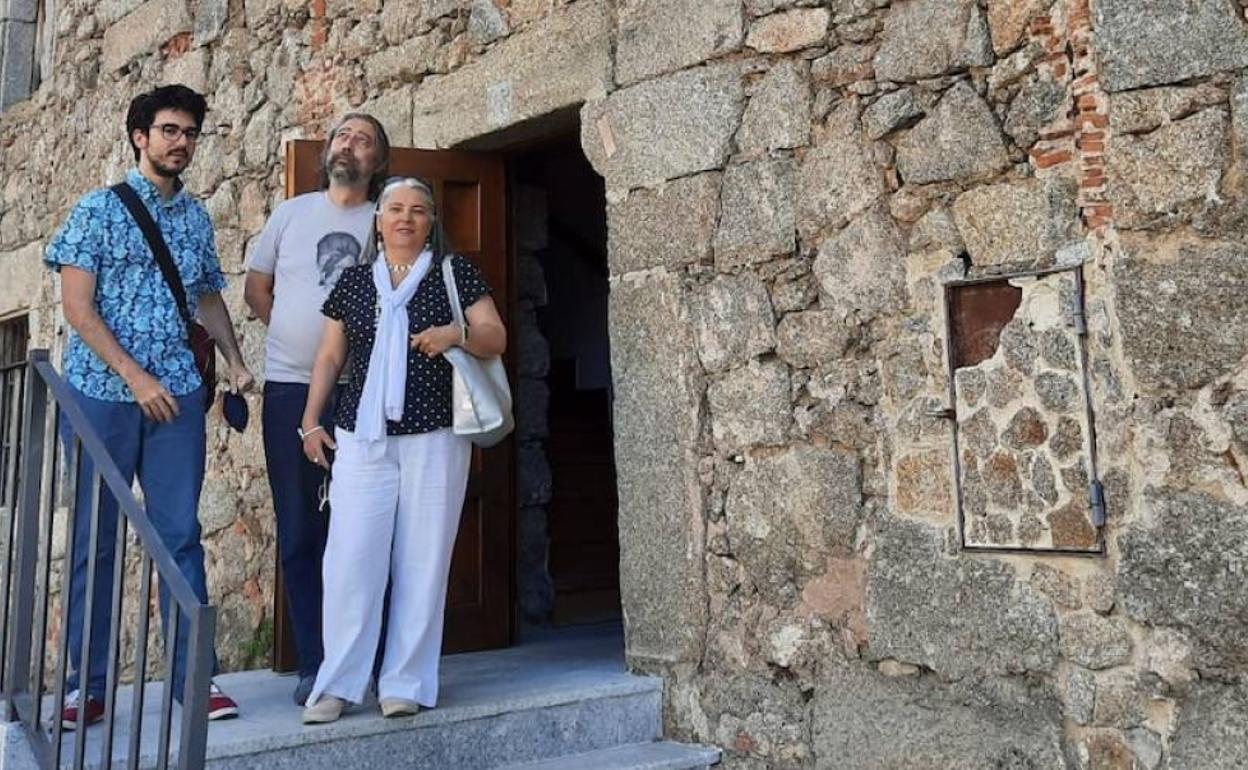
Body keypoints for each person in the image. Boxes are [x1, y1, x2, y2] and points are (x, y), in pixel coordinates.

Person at [44, 84, 253, 728]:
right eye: (169, 130)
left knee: (181, 535)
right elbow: (77, 309)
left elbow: (206, 295)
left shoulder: (194, 219)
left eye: (189, 132)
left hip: (179, 397)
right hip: (104, 394)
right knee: (95, 541)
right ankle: (87, 686)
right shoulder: (96, 211)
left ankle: (197, 680)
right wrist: (135, 376)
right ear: (140, 136)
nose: (180, 142)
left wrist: (237, 359)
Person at [298, 177, 506, 724]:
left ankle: (404, 682)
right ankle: (337, 684)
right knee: (349, 560)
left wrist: (455, 334)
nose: (405, 219)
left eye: (417, 211)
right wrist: (309, 421)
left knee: (424, 559)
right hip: (362, 438)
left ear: (432, 221)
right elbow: (328, 357)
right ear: (378, 219)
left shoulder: (453, 272)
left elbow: (495, 336)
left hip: (435, 436)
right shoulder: (353, 282)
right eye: (395, 209)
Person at [243, 113, 390, 706]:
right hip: (287, 390)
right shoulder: (291, 214)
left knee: (364, 530)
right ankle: (315, 664)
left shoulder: (386, 220)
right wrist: (291, 336)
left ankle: (371, 663)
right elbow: (258, 289)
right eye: (341, 136)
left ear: (378, 161)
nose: (347, 145)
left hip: (364, 393)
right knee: (302, 531)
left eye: (363, 140)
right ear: (326, 151)